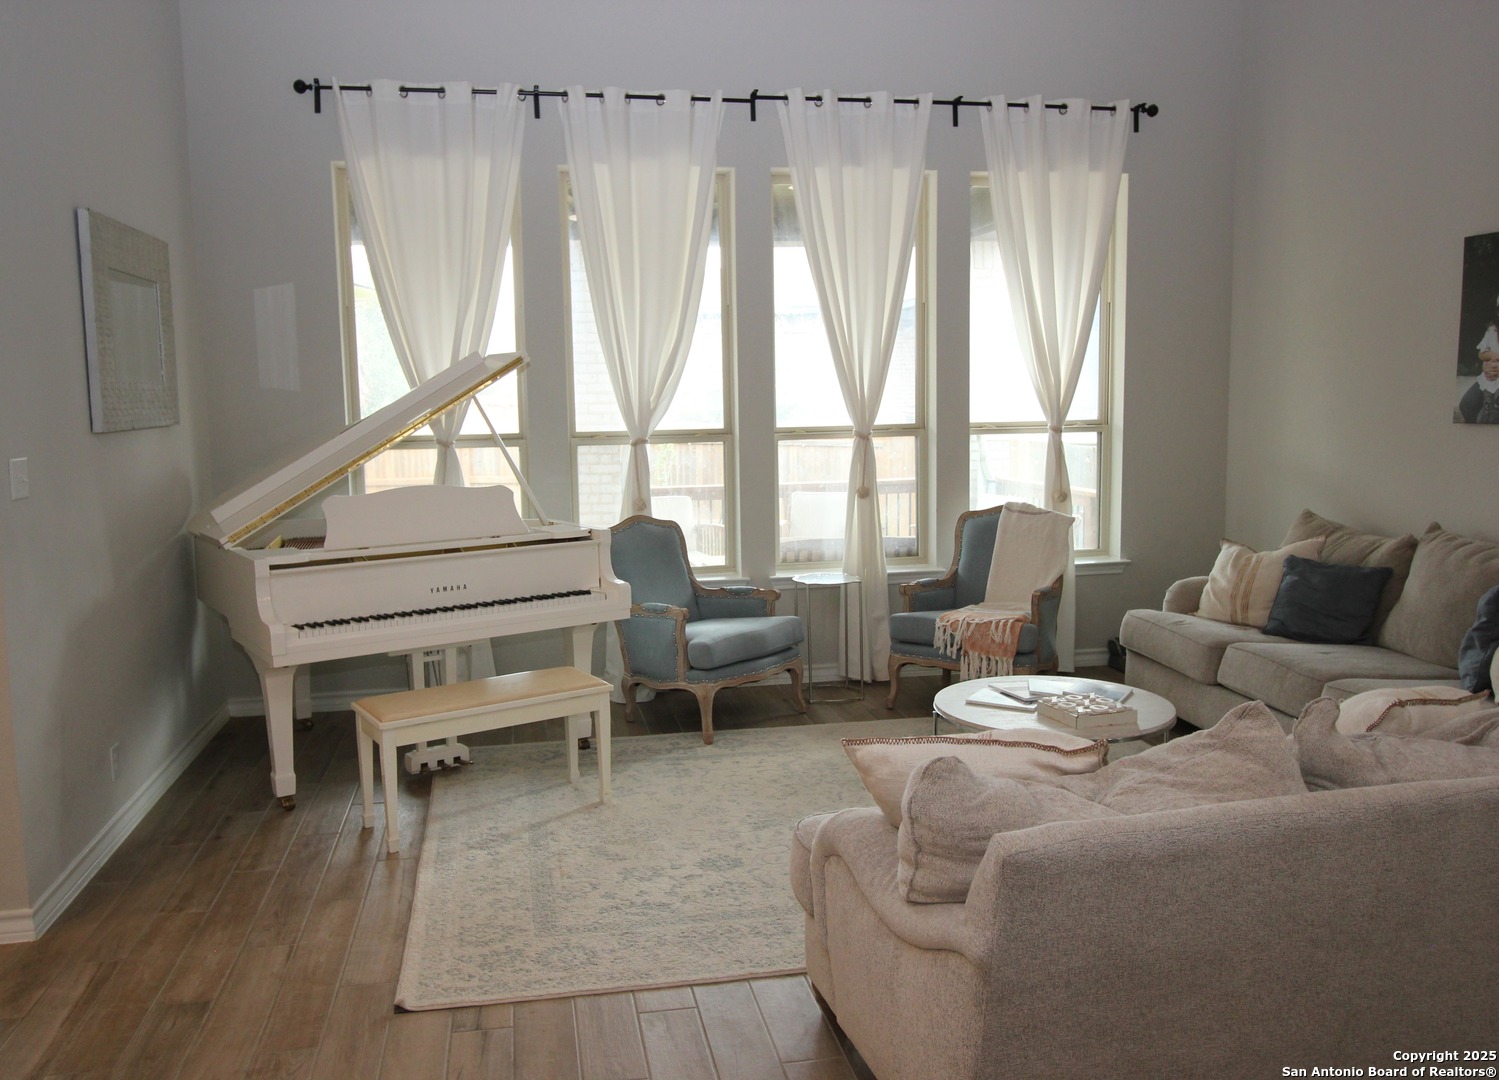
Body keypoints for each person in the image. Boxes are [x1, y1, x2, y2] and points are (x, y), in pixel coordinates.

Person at [1458, 295, 1499, 423]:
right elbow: (1481, 353)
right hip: (1489, 376)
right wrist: (1490, 357)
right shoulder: (1492, 331)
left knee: (1489, 414)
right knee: (1467, 406)